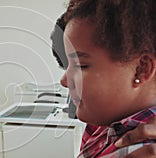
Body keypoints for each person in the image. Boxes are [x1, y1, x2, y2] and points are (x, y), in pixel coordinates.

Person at [51, 0, 156, 157]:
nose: (64, 81)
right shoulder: (102, 123)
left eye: (81, 66)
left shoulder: (141, 150)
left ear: (141, 69)